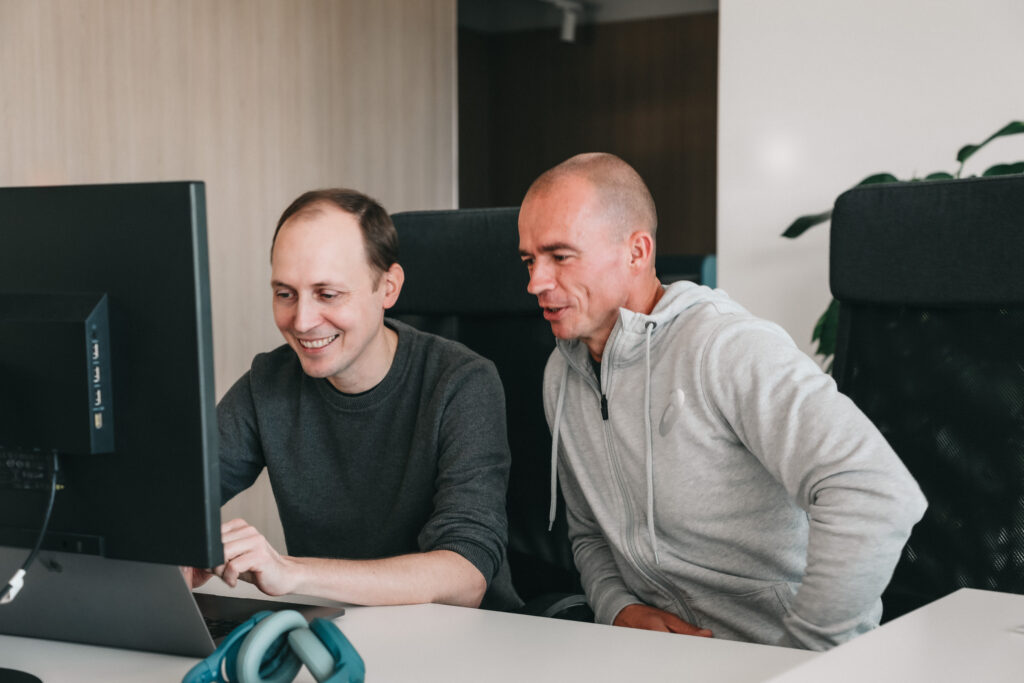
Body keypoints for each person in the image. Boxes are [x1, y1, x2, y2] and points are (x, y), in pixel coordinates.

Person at [516, 153, 927, 649]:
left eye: (560, 256)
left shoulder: (725, 347)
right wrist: (617, 607)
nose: (535, 282)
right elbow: (589, 533)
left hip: (779, 657)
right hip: (660, 658)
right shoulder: (561, 374)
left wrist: (803, 657)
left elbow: (875, 488)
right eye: (529, 260)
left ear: (636, 252)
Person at [187, 188, 521, 611]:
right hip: (336, 631)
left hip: (463, 641)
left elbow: (465, 576)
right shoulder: (267, 383)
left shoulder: (462, 382)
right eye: (285, 293)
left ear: (388, 288)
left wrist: (293, 572)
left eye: (327, 294)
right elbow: (175, 492)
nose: (302, 321)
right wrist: (173, 549)